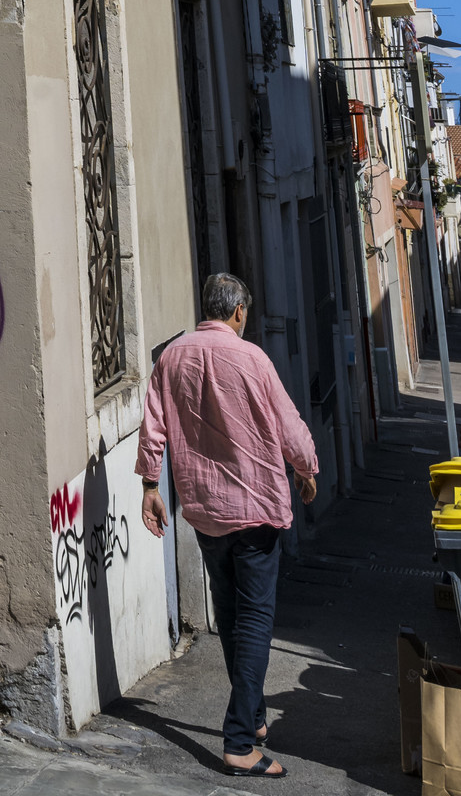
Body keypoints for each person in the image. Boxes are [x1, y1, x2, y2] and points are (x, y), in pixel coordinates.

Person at [138, 272, 318, 779]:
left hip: (205, 510)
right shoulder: (252, 357)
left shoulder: (171, 356)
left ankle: (254, 717)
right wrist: (306, 471)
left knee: (233, 617)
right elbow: (290, 430)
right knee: (256, 619)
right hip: (257, 506)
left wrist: (151, 487)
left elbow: (153, 425)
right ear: (238, 311)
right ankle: (239, 742)